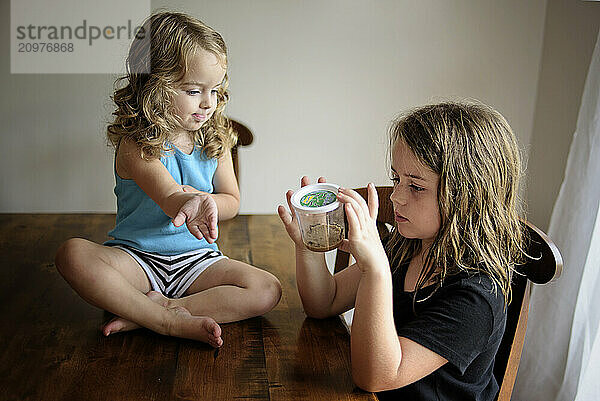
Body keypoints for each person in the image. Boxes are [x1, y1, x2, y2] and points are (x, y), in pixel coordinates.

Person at [55, 12, 281, 348]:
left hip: (197, 260)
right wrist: (189, 200)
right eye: (193, 90)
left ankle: (160, 310)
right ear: (154, 86)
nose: (208, 103)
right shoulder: (136, 143)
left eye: (215, 90)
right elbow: (170, 197)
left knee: (267, 289)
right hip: (138, 259)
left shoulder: (215, 139)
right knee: (71, 254)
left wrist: (208, 202)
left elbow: (232, 202)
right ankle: (164, 322)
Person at [278, 102, 526, 400]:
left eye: (416, 187)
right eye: (396, 179)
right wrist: (309, 245)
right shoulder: (407, 245)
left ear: (466, 196)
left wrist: (375, 269)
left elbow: (376, 377)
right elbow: (323, 302)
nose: (396, 197)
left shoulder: (476, 296)